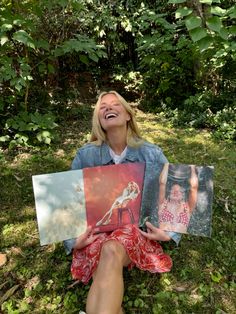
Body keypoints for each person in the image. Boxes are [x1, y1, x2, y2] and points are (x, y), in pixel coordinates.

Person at [64, 91, 181, 314]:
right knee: (105, 253)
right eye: (102, 106)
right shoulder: (85, 156)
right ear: (98, 119)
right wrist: (73, 240)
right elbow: (70, 202)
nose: (108, 107)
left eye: (115, 104)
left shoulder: (151, 154)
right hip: (96, 235)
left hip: (132, 233)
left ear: (128, 115)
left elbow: (172, 192)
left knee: (110, 250)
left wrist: (170, 232)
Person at [158, 163, 199, 233]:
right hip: (161, 233)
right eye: (173, 190)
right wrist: (166, 165)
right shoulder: (162, 204)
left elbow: (194, 187)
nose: (176, 192)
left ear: (183, 196)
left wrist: (192, 168)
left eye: (179, 191)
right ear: (168, 194)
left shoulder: (188, 208)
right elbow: (162, 183)